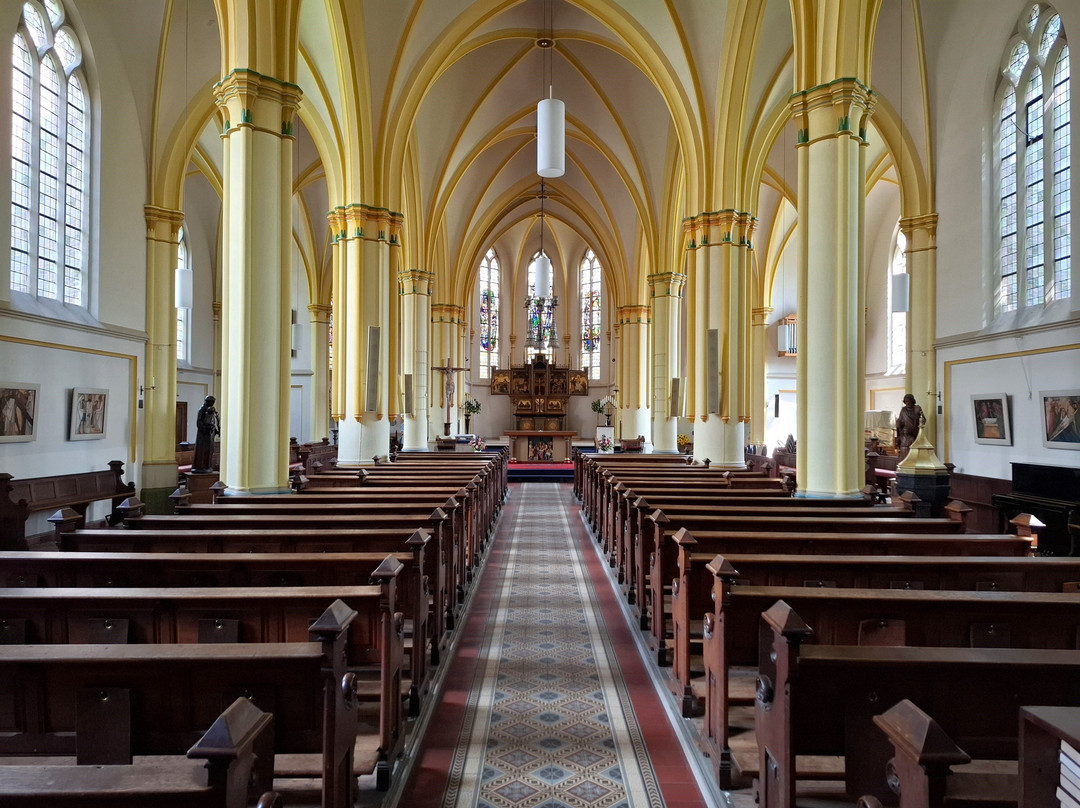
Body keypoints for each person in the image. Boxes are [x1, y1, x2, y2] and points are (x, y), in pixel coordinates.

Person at [193, 395, 220, 473]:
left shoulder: (212, 409)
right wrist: (206, 427)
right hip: (203, 435)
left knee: (209, 450)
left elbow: (213, 421)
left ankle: (207, 466)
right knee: (202, 451)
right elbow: (199, 422)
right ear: (207, 401)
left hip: (210, 434)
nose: (213, 404)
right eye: (212, 402)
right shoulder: (202, 409)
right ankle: (200, 466)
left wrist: (216, 430)